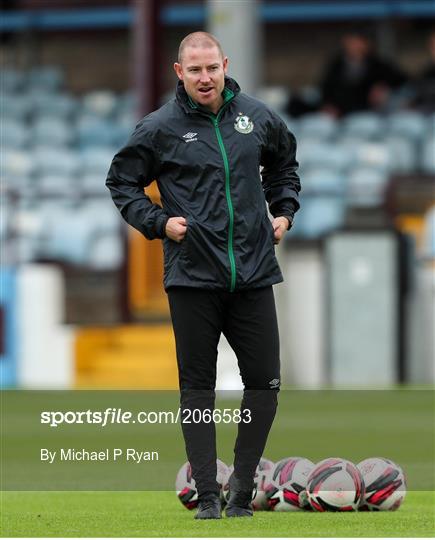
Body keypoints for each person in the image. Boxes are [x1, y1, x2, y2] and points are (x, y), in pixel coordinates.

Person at [106, 32, 300, 519]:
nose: (205, 77)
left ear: (225, 64)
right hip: (192, 276)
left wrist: (284, 211)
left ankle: (241, 491)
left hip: (254, 273)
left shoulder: (256, 117)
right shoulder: (159, 128)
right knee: (198, 388)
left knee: (264, 384)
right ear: (179, 73)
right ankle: (208, 499)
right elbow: (121, 181)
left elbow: (285, 167)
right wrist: (156, 222)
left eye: (211, 67)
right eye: (194, 70)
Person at [320, 29, 408, 116]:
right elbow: (326, 89)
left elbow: (402, 81)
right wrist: (329, 105)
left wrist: (384, 88)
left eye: (358, 42)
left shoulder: (378, 65)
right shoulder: (336, 66)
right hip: (342, 113)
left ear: (366, 44)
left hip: (373, 113)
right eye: (351, 42)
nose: (355, 46)